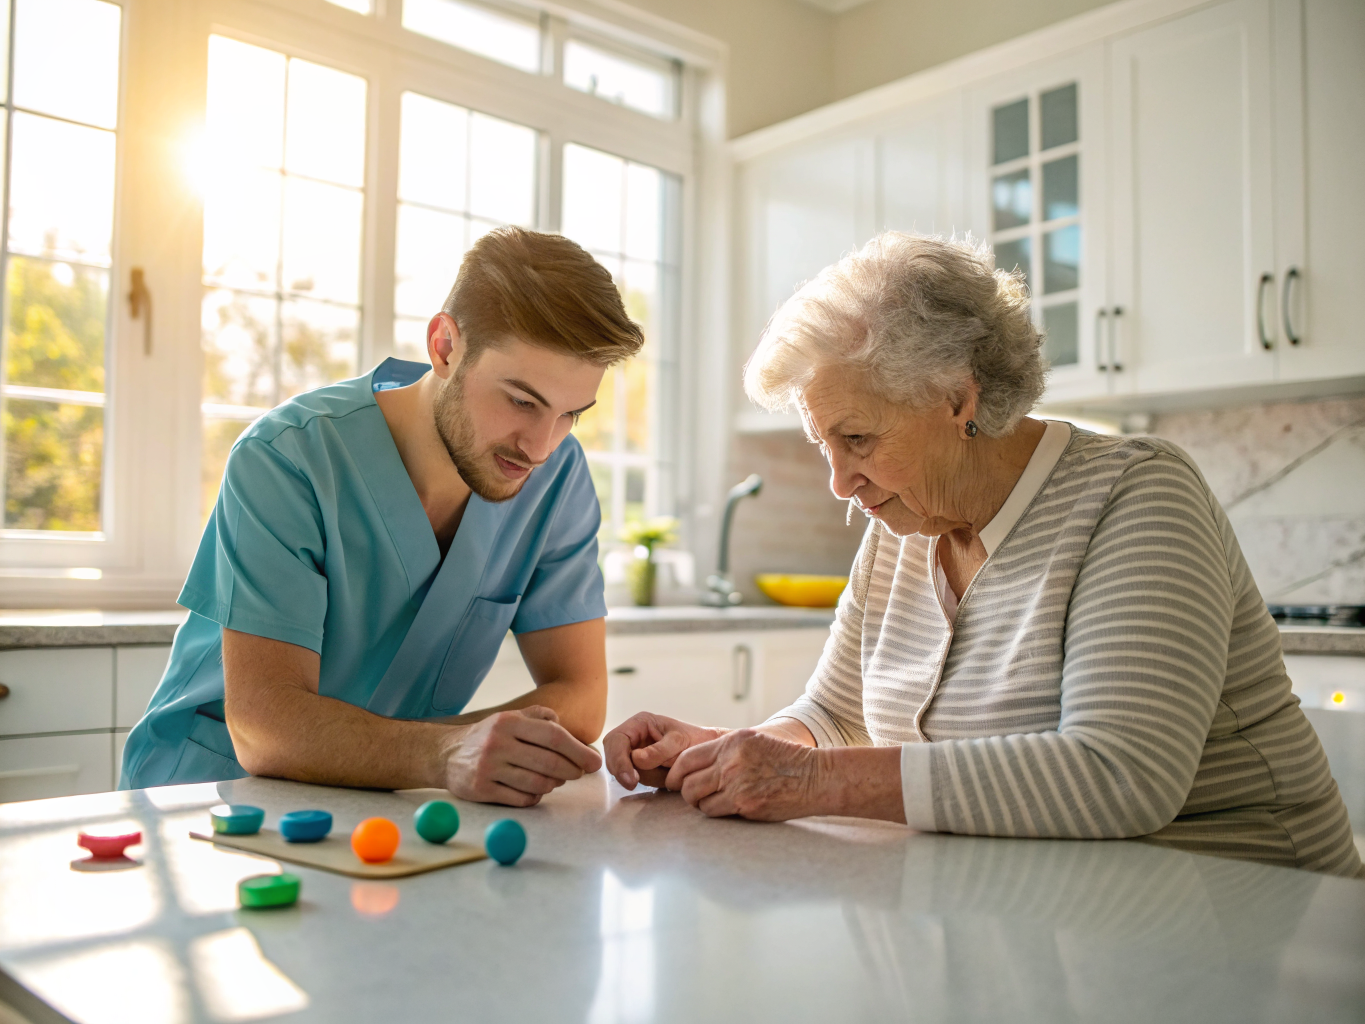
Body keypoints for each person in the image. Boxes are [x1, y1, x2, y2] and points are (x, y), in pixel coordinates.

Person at [604, 232, 1364, 878]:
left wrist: (806, 781)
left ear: (957, 400)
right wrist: (721, 755)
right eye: (823, 445)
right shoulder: (902, 526)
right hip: (1048, 904)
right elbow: (835, 717)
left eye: (857, 439)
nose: (839, 482)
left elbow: (1119, 774)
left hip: (1250, 913)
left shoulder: (1135, 494)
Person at [122, 227, 643, 807]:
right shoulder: (287, 458)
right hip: (208, 797)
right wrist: (447, 751)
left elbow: (581, 696)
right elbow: (263, 727)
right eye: (521, 401)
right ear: (445, 346)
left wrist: (436, 752)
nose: (540, 446)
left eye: (571, 413)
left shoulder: (557, 477)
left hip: (380, 797)